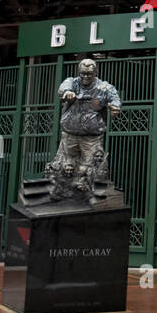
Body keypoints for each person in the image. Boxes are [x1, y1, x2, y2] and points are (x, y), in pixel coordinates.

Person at [46, 59, 121, 204]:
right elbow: (63, 88)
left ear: (95, 73)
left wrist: (115, 107)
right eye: (83, 74)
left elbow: (115, 98)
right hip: (70, 135)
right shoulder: (72, 83)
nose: (85, 77)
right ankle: (59, 194)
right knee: (63, 166)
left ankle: (94, 199)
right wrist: (67, 92)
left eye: (89, 74)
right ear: (78, 73)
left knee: (94, 168)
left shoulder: (103, 88)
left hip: (92, 138)